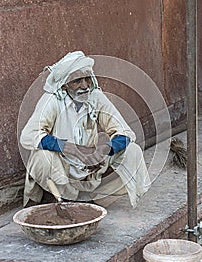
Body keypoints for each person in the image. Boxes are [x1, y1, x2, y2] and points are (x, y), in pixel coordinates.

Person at [20, 51, 150, 208]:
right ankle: (61, 197)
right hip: (63, 164)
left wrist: (103, 152)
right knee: (41, 158)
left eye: (87, 79)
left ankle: (96, 197)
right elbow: (28, 135)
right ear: (65, 83)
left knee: (132, 151)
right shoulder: (52, 100)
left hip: (92, 165)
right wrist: (74, 150)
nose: (85, 85)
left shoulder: (96, 97)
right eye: (77, 81)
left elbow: (125, 132)